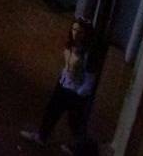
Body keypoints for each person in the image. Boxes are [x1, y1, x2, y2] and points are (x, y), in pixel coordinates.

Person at [21, 19, 99, 150]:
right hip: (64, 85)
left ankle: (79, 148)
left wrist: (80, 93)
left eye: (80, 32)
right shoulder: (71, 46)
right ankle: (42, 136)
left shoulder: (88, 54)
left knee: (74, 122)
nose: (76, 34)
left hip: (75, 91)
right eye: (74, 30)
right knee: (51, 112)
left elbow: (90, 78)